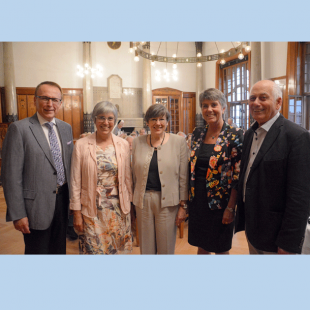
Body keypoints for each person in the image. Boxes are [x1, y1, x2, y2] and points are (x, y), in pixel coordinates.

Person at [235, 80, 310, 254]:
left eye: (263, 98)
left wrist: (288, 244)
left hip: (278, 237)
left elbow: (300, 197)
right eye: (252, 98)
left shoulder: (297, 137)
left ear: (278, 102)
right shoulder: (249, 135)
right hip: (253, 230)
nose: (256, 103)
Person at [2, 81, 74, 254]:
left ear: (61, 103)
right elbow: (11, 176)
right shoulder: (19, 129)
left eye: (55, 100)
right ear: (35, 100)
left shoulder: (66, 128)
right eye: (45, 98)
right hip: (35, 206)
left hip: (63, 201)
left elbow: (70, 165)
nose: (50, 104)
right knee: (38, 252)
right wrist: (18, 213)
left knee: (59, 251)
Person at [70, 101, 133, 254]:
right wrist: (76, 213)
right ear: (94, 119)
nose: (106, 122)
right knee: (94, 252)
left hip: (119, 209)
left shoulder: (123, 144)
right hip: (91, 209)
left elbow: (127, 179)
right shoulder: (81, 144)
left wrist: (130, 205)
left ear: (115, 121)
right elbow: (75, 181)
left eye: (110, 118)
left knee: (118, 252)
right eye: (101, 118)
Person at [188, 88, 243, 254]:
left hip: (221, 205)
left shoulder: (235, 135)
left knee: (221, 248)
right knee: (202, 247)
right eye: (205, 106)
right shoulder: (197, 133)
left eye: (214, 105)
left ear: (224, 108)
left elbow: (237, 176)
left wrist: (230, 208)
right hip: (198, 202)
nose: (209, 109)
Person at [132, 104, 188, 254]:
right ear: (147, 122)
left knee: (166, 248)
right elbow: (133, 174)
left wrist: (183, 206)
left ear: (167, 121)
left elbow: (183, 176)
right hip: (143, 201)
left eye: (162, 119)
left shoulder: (179, 142)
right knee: (146, 249)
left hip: (168, 203)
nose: (158, 123)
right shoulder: (137, 142)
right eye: (153, 119)